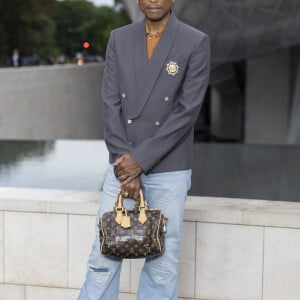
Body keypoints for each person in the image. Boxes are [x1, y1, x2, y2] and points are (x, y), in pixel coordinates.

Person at [78, 0, 210, 299]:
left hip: (169, 169)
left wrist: (139, 161)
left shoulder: (195, 41)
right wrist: (126, 166)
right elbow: (110, 104)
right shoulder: (119, 38)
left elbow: (187, 112)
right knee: (102, 257)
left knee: (162, 264)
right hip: (121, 166)